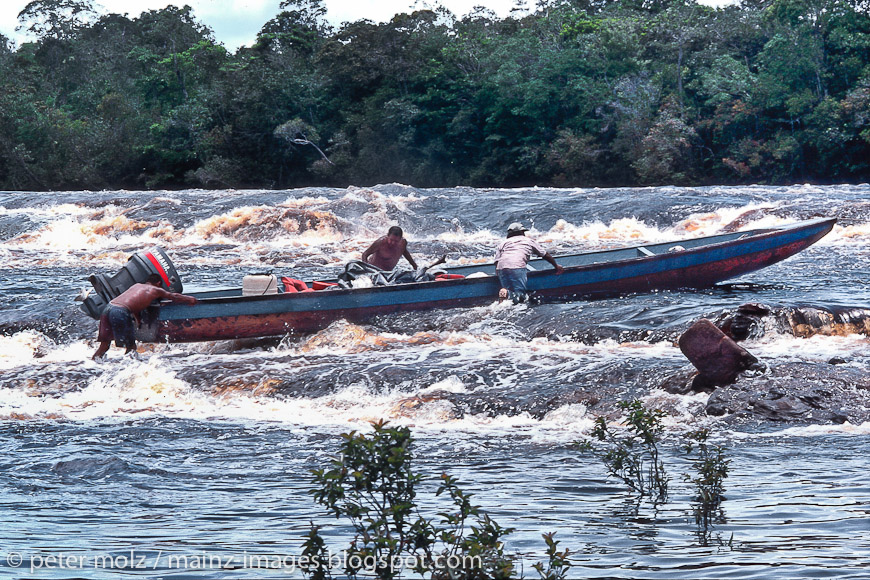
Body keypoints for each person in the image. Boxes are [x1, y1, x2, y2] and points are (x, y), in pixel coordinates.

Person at [92, 274, 197, 360]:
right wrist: (189, 299)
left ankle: (93, 365)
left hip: (108, 308)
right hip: (120, 311)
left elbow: (133, 303)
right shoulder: (156, 289)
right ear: (159, 283)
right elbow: (174, 296)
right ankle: (129, 370)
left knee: (104, 345)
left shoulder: (136, 286)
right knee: (131, 347)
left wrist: (138, 318)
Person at [494, 222, 564, 302]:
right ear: (521, 232)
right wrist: (556, 266)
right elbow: (545, 255)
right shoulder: (528, 241)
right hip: (517, 267)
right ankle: (507, 293)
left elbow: (497, 261)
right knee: (520, 294)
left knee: (508, 294)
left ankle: (505, 293)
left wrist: (498, 272)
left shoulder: (503, 243)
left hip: (502, 267)